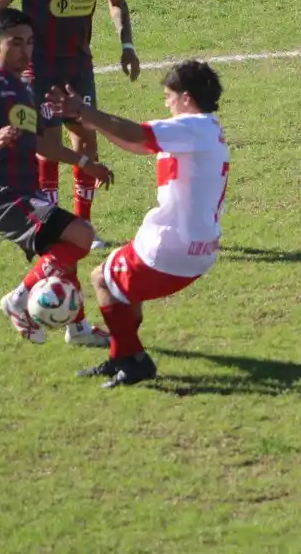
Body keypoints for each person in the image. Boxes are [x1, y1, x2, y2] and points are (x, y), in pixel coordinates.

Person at [45, 61, 229, 388]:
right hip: (199, 247)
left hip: (174, 248)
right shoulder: (205, 129)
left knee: (102, 279)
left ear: (186, 98)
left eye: (169, 96)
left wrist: (86, 113)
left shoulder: (191, 126)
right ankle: (120, 357)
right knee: (123, 283)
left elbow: (136, 133)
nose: (167, 103)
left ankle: (135, 360)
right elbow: (138, 144)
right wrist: (92, 121)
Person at [0, 8, 115, 347]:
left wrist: (85, 162)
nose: (25, 51)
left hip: (27, 192)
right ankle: (18, 300)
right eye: (16, 43)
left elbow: (42, 145)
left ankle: (78, 329)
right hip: (3, 195)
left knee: (63, 250)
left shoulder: (24, 91)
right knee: (82, 235)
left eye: (30, 43)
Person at [0, 0, 140, 255]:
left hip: (78, 67)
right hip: (39, 70)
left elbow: (116, 1)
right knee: (50, 147)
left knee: (87, 141)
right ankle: (53, 225)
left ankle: (83, 224)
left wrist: (127, 44)